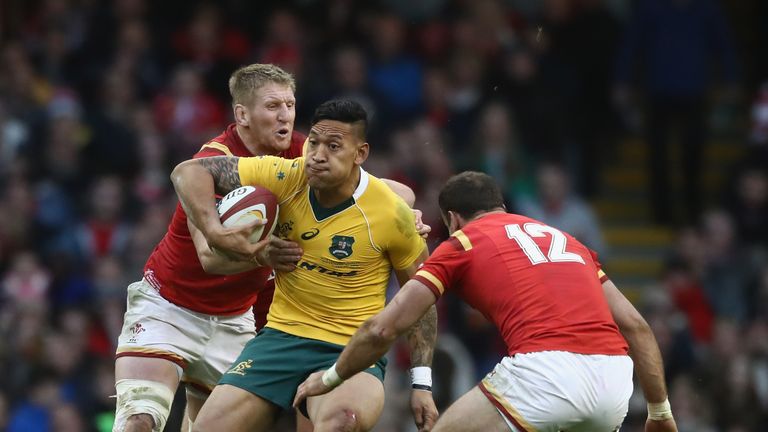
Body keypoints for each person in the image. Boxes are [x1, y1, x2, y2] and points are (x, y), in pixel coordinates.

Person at [113, 65, 424, 432]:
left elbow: (388, 190)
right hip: (171, 307)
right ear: (242, 114)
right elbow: (210, 259)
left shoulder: (302, 151)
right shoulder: (213, 161)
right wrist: (251, 250)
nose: (285, 116)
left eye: (290, 105)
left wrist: (404, 213)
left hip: (236, 319)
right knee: (140, 420)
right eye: (273, 106)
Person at [294, 171, 679, 432]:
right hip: (614, 384)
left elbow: (382, 327)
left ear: (452, 218)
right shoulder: (568, 242)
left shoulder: (461, 242)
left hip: (546, 373)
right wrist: (659, 410)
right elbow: (636, 326)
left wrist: (330, 378)